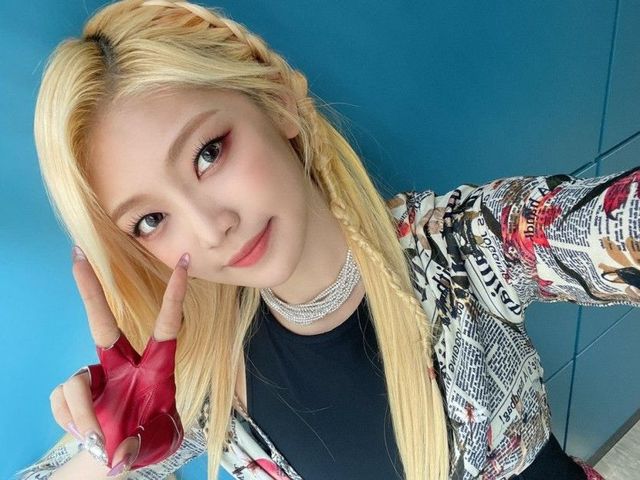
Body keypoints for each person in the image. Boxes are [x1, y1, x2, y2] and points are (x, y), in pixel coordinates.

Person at [12, 0, 638, 479]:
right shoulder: (204, 376)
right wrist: (107, 452)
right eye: (151, 219)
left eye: (208, 152)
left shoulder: (463, 247)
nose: (210, 228)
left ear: (278, 100)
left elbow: (606, 226)